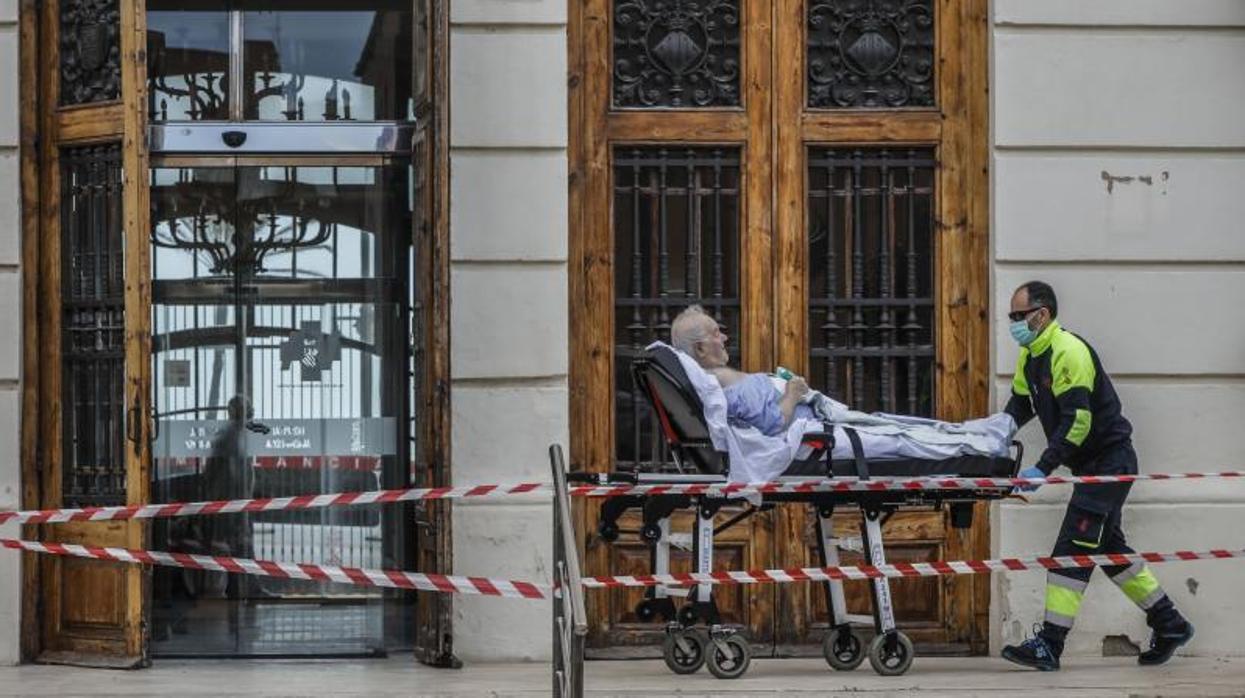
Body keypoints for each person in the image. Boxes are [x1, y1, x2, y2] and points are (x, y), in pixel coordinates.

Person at [1000, 281, 1193, 671]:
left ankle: (1050, 645)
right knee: (1109, 550)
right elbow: (1020, 406)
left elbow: (1077, 423)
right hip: (1094, 469)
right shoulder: (1031, 354)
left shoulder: (1068, 351)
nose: (1014, 324)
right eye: (1011, 317)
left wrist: (1044, 467)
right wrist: (993, 433)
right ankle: (1169, 623)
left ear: (1042, 314)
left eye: (1019, 316)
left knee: (1071, 550)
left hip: (1110, 464)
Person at [670, 305, 813, 436]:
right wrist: (792, 394)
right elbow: (771, 423)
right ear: (700, 349)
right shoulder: (721, 380)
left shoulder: (712, 382)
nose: (724, 338)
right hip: (815, 439)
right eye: (716, 334)